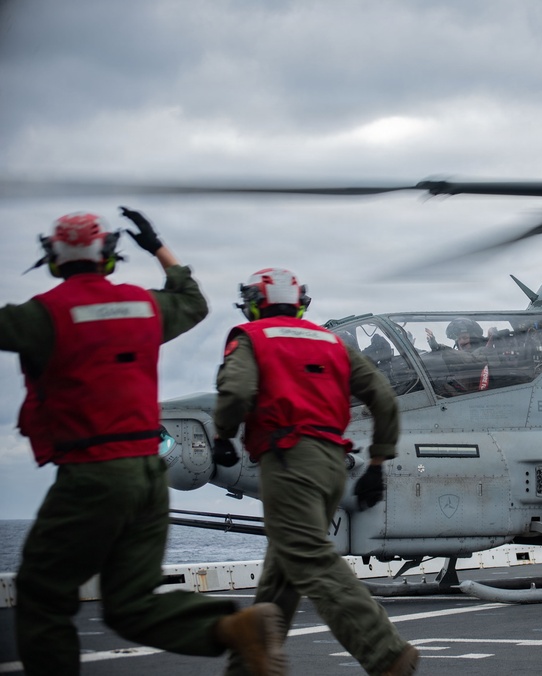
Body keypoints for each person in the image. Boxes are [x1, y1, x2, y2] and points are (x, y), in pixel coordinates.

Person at [1, 209, 286, 676]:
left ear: (53, 259)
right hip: (149, 471)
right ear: (110, 257)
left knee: (40, 596)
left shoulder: (42, 315)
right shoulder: (142, 306)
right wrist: (158, 247)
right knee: (131, 603)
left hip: (92, 470)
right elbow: (192, 301)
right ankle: (231, 628)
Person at [213, 268, 419, 676]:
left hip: (289, 461)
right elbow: (383, 397)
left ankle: (385, 651)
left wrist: (223, 434)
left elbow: (235, 392)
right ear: (299, 303)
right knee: (282, 571)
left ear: (255, 303)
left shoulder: (251, 337)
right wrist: (377, 462)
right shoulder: (332, 343)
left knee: (307, 556)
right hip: (332, 464)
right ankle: (248, 668)